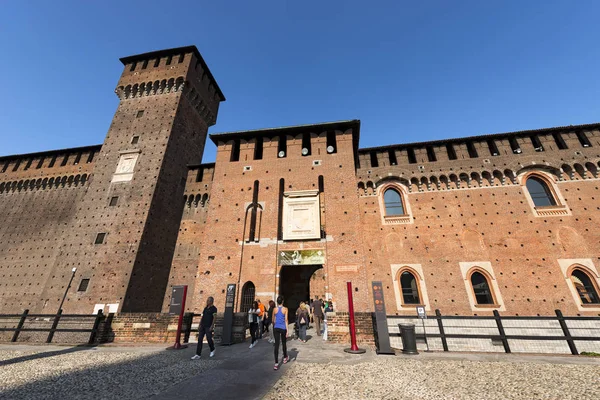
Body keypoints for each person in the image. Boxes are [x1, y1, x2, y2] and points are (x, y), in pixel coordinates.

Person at [272, 295, 289, 370]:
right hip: (283, 328)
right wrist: (287, 330)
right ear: (282, 301)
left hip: (276, 327)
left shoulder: (274, 309)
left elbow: (273, 320)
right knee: (284, 343)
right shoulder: (285, 309)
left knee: (276, 344)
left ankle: (276, 363)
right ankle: (285, 357)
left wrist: (275, 325)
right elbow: (286, 320)